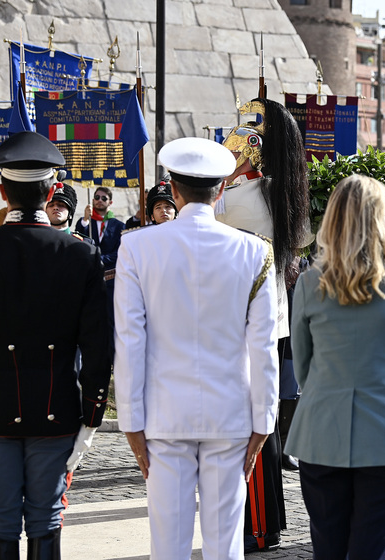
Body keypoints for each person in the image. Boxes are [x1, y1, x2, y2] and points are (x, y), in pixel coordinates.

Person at [0, 131, 111, 558]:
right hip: (55, 410)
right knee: (46, 516)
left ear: (1, 191)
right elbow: (99, 342)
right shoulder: (80, 254)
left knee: (0, 517)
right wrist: (92, 411)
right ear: (52, 191)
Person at [114, 137, 280, 559]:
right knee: (226, 545)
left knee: (167, 544)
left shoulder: (137, 247)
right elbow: (262, 346)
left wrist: (132, 421)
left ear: (171, 188)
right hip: (230, 415)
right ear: (222, 189)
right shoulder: (255, 251)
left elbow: (130, 341)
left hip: (165, 415)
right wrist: (263, 420)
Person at [285, 174, 385, 560]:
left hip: (320, 429)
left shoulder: (310, 283)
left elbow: (303, 363)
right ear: (381, 220)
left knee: (327, 548)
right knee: (371, 547)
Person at [219, 97, 311, 553]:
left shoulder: (231, 200)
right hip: (274, 323)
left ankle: (255, 526)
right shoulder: (284, 194)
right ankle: (269, 521)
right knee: (267, 426)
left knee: (247, 427)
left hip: (239, 325)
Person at [75, 186, 125, 271]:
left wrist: (99, 259)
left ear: (110, 202)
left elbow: (120, 251)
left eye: (104, 198)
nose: (100, 200)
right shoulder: (85, 222)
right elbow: (79, 240)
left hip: (110, 273)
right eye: (97, 197)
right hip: (88, 271)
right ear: (93, 200)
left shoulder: (119, 226)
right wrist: (85, 219)